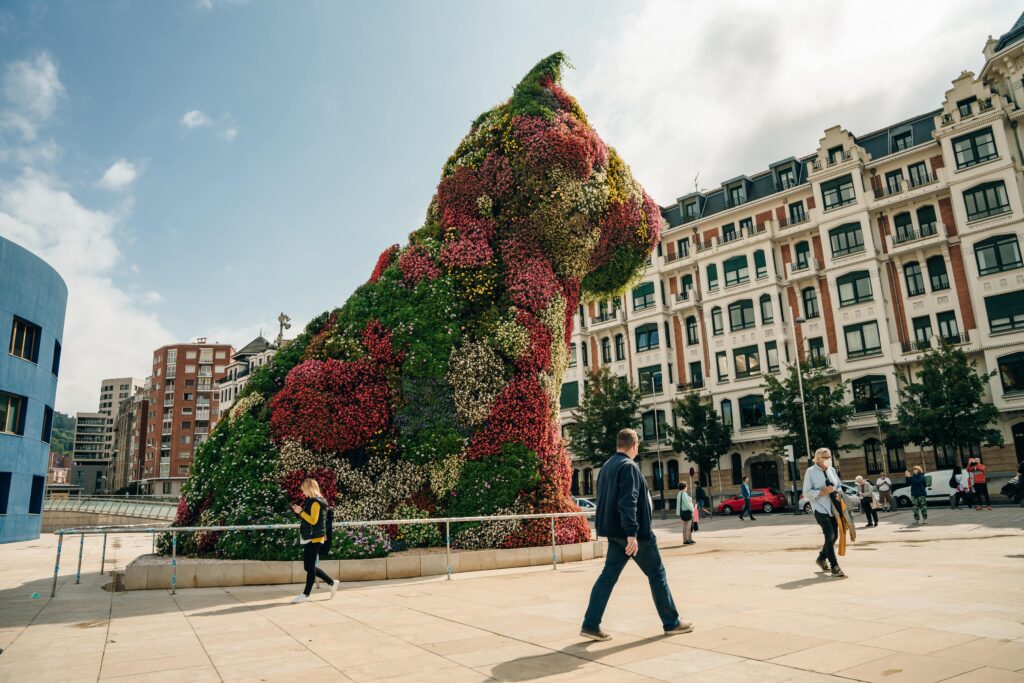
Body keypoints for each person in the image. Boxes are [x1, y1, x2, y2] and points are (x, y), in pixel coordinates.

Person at [581, 428, 692, 641]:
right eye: (638, 445)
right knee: (656, 573)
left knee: (608, 577)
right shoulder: (628, 466)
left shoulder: (606, 466)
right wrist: (632, 533)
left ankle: (590, 623)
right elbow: (628, 501)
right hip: (635, 535)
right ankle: (671, 622)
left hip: (614, 532)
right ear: (634, 445)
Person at [290, 478, 338, 603]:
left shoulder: (316, 502)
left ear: (309, 489)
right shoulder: (316, 501)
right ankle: (332, 583)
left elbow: (313, 520)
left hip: (315, 538)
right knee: (308, 567)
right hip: (313, 537)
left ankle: (306, 594)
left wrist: (301, 512)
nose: (303, 493)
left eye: (304, 490)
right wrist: (300, 511)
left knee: (310, 567)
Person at [801, 447, 846, 577]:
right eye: (825, 457)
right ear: (818, 458)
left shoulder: (832, 470)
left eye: (829, 457)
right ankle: (835, 566)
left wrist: (836, 490)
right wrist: (822, 492)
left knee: (835, 536)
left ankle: (821, 558)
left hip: (833, 508)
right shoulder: (810, 471)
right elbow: (806, 492)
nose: (828, 459)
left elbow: (838, 484)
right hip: (820, 508)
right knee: (829, 535)